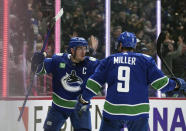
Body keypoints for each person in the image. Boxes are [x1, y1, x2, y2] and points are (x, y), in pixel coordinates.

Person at [75, 32, 186, 131]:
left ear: (120, 45)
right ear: (134, 46)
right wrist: (178, 83)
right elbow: (161, 84)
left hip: (113, 111)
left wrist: (83, 99)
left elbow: (93, 84)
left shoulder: (109, 60)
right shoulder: (145, 60)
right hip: (138, 112)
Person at [31, 37, 100, 131]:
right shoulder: (58, 60)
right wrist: (36, 62)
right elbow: (38, 71)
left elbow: (106, 69)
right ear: (72, 50)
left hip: (80, 107)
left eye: (85, 48)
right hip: (59, 107)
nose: (84, 52)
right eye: (80, 49)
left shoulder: (90, 63)